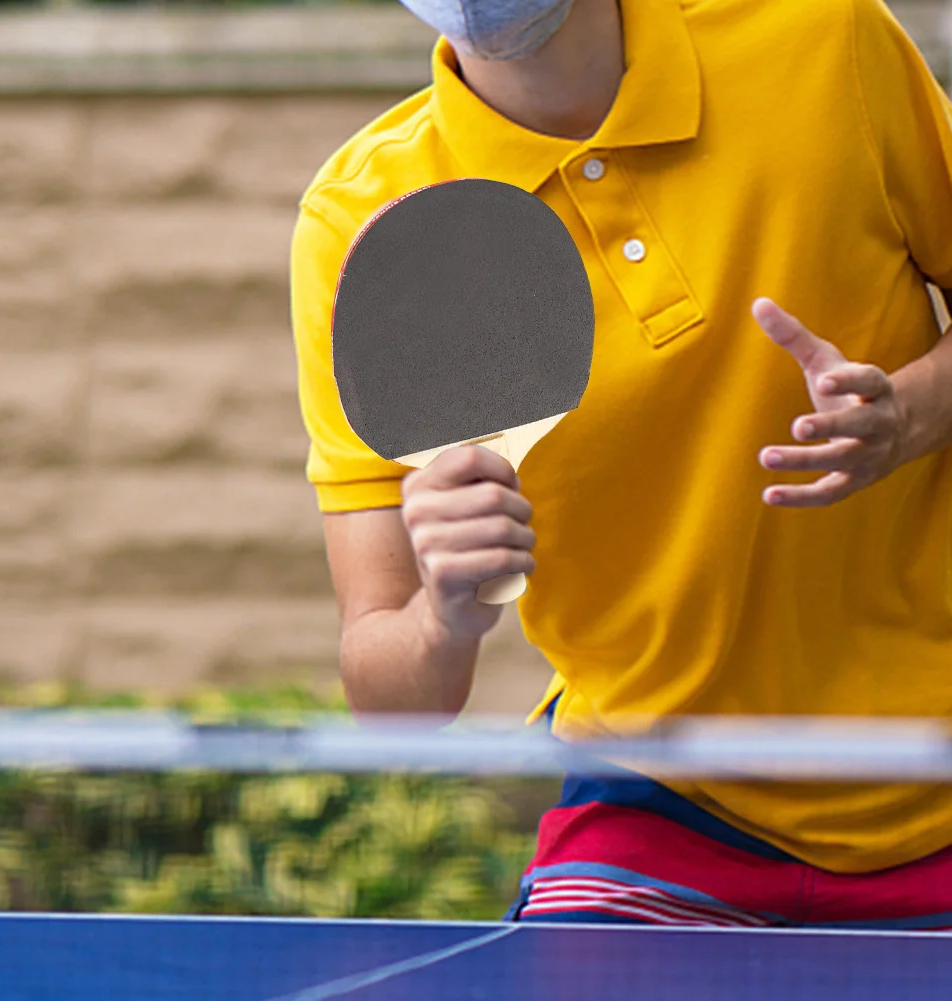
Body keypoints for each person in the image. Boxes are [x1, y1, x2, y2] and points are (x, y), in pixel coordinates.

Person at [290, 0, 952, 928]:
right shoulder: (361, 218)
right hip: (662, 808)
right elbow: (391, 703)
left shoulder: (820, 36)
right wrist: (444, 612)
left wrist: (911, 415)